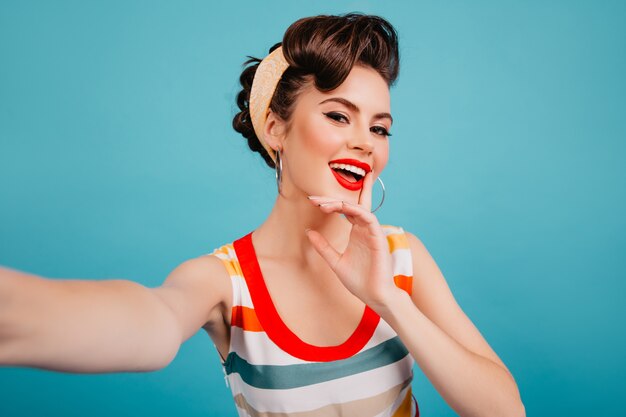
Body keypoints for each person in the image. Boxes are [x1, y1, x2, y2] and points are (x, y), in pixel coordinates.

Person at [0, 12, 525, 417]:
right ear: (275, 129)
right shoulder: (225, 281)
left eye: (380, 127)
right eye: (339, 115)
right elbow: (152, 323)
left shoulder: (402, 259)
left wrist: (388, 300)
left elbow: (505, 409)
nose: (363, 142)